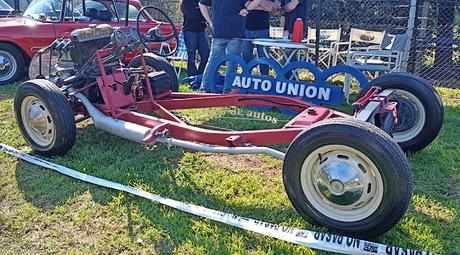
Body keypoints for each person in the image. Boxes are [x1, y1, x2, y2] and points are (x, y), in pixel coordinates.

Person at [198, 0, 246, 93]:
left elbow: (202, 4)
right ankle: (227, 90)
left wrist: (210, 22)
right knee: (232, 62)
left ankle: (204, 88)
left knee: (213, 61)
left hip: (219, 29)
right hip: (236, 30)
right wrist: (247, 9)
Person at [240, 0, 280, 75]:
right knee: (245, 57)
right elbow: (243, 5)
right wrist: (259, 4)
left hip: (263, 29)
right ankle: (245, 79)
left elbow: (269, 7)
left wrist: (252, 4)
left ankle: (264, 79)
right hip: (246, 28)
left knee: (263, 57)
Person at [180, 0, 210, 77]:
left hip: (201, 31)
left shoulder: (202, 1)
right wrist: (204, 16)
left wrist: (204, 14)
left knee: (206, 53)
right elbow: (191, 16)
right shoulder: (186, 2)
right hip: (190, 31)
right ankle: (191, 75)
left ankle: (201, 73)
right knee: (191, 54)